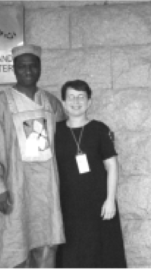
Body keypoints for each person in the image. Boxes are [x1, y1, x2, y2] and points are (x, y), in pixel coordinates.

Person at [0, 44, 66, 270]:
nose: (28, 70)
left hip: (48, 189)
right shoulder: (1, 102)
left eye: (33, 66)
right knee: (17, 245)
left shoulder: (51, 102)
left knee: (47, 245)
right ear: (14, 69)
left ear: (40, 68)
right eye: (22, 66)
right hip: (16, 187)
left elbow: (66, 143)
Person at [55, 80, 127, 270]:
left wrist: (110, 200)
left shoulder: (99, 129)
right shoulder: (55, 132)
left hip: (99, 206)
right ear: (63, 102)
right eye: (71, 97)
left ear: (89, 102)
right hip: (67, 207)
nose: (76, 101)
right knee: (72, 256)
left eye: (81, 97)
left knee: (102, 254)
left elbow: (112, 166)